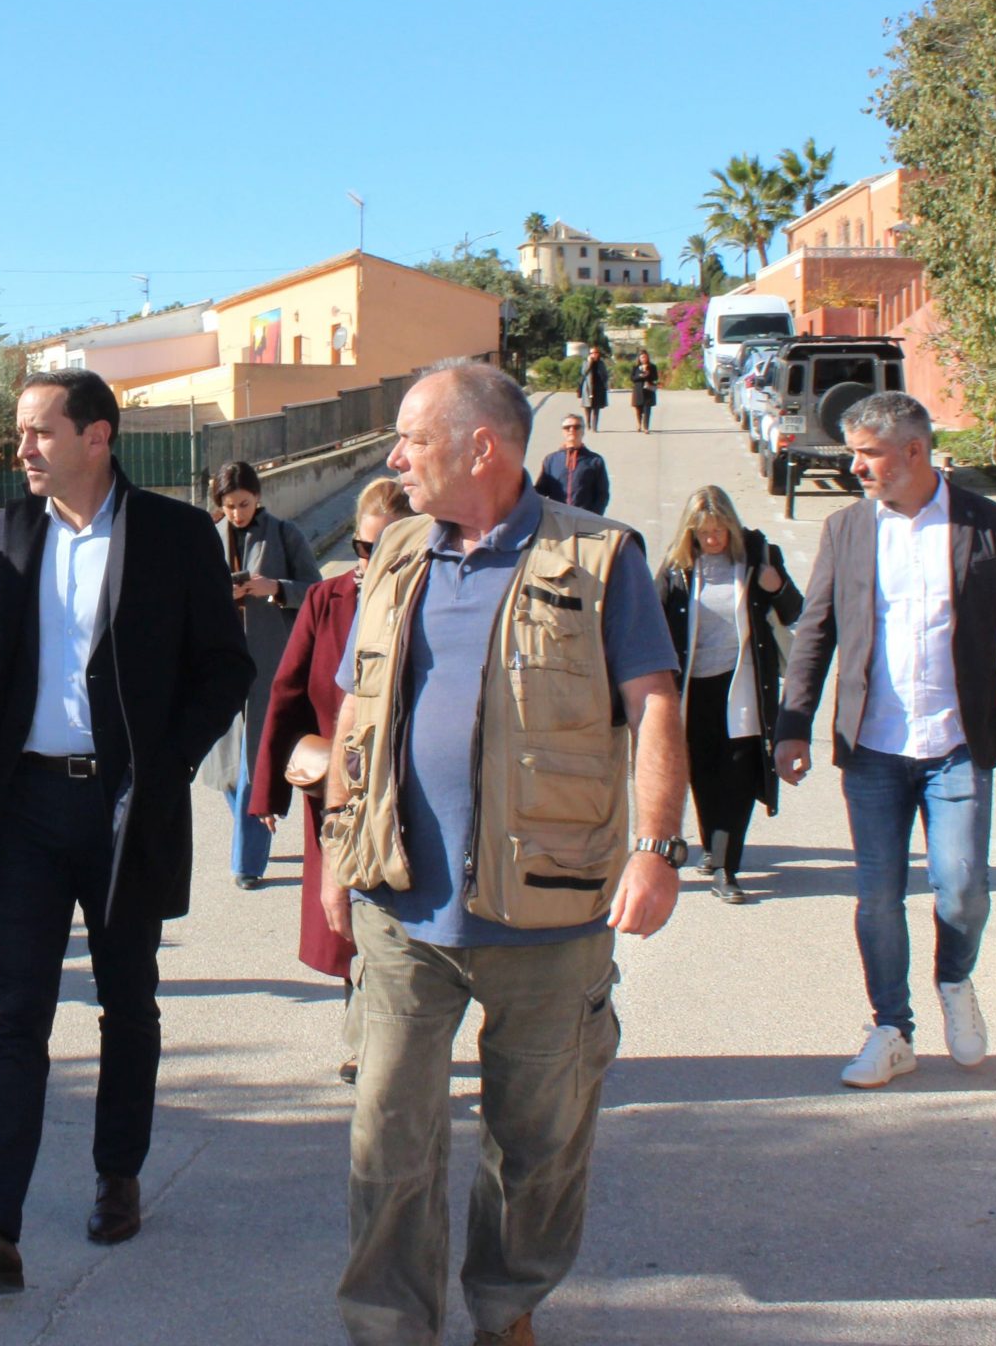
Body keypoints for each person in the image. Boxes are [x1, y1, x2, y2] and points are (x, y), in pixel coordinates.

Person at [319, 364, 687, 1346]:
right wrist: (331, 849)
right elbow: (358, 708)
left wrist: (655, 849)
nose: (394, 459)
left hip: (552, 912)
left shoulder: (601, 556)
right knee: (384, 1143)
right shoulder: (395, 550)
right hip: (400, 906)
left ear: (482, 447)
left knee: (537, 1149)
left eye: (410, 438)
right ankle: (388, 1326)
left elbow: (653, 704)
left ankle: (505, 1308)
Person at [0, 369, 252, 1296]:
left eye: (38, 431)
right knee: (16, 1018)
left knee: (128, 1003)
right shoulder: (7, 533)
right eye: (20, 434)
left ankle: (119, 1171)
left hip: (123, 809)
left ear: (96, 437)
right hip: (25, 808)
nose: (21, 448)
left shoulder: (175, 534)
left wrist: (165, 766)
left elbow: (223, 670)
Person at [774, 391, 996, 1090]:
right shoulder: (846, 530)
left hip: (959, 743)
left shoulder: (987, 526)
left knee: (960, 890)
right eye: (855, 455)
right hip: (873, 747)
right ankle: (891, 1028)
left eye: (868, 455)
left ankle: (955, 980)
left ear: (915, 452)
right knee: (878, 897)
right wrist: (792, 724)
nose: (856, 468)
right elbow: (815, 633)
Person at [250, 477, 412, 1082]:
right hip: (338, 795)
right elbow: (288, 690)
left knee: (397, 917)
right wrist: (267, 789)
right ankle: (365, 1041)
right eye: (364, 548)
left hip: (407, 792)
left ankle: (397, 1040)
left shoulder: (433, 594)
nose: (371, 561)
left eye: (386, 547)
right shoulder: (328, 599)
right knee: (348, 913)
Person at [656, 486, 802, 905]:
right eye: (704, 533)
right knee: (703, 774)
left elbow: (796, 612)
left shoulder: (758, 559)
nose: (713, 539)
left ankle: (726, 868)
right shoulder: (676, 569)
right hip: (695, 689)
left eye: (720, 530)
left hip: (743, 686)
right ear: (692, 533)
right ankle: (712, 846)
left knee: (738, 776)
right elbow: (652, 621)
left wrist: (776, 587)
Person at [197, 460, 318, 889]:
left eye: (244, 504)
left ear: (258, 497)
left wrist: (277, 589)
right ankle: (254, 822)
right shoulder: (207, 538)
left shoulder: (286, 534)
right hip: (220, 665)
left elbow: (317, 591)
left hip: (271, 666)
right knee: (228, 768)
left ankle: (246, 864)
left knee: (254, 763)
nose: (237, 513)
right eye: (228, 506)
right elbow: (189, 598)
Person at [533, 414, 610, 516]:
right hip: (557, 520)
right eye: (567, 427)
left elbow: (602, 494)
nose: (571, 430)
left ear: (583, 431)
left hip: (584, 519)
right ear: (563, 432)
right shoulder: (551, 460)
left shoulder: (595, 460)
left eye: (576, 427)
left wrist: (594, 517)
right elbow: (541, 490)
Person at [577, 346, 610, 432]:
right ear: (590, 354)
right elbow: (583, 372)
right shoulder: (586, 362)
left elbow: (605, 375)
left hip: (598, 388)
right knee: (588, 407)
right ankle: (588, 423)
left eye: (596, 353)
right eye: (592, 353)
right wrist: (589, 363)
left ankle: (595, 426)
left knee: (596, 407)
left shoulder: (601, 363)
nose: (595, 355)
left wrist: (605, 383)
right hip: (588, 387)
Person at [629, 350, 660, 434]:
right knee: (638, 409)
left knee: (647, 409)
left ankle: (646, 427)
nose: (644, 359)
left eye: (645, 357)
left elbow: (655, 377)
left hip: (648, 390)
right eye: (642, 357)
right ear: (639, 358)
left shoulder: (652, 366)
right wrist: (640, 376)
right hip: (638, 391)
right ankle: (639, 424)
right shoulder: (635, 367)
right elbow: (632, 378)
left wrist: (648, 374)